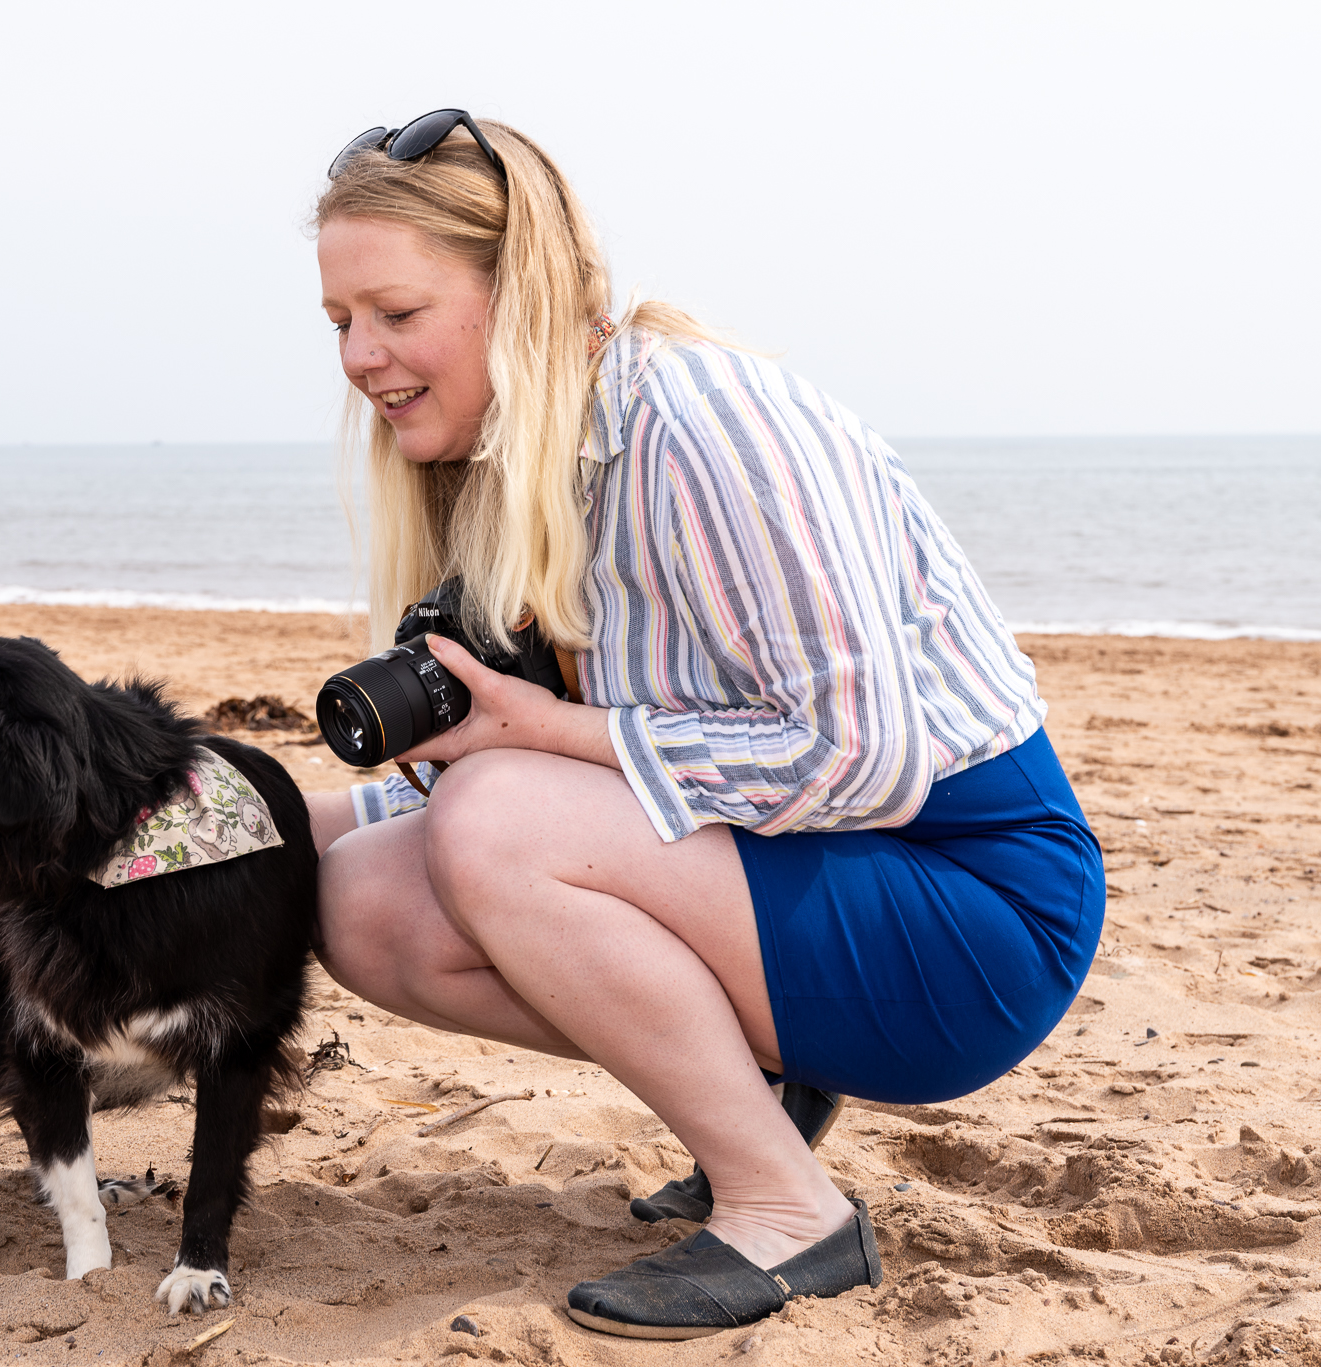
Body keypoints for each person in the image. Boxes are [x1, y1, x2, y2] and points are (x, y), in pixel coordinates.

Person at [305, 110, 1103, 1340]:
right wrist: (218, 820)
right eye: (339, 323)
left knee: (495, 821)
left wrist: (545, 734)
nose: (361, 357)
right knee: (360, 899)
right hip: (807, 870)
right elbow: (486, 779)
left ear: (517, 292)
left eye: (396, 315)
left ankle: (788, 1210)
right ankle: (765, 1089)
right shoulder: (515, 460)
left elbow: (866, 755)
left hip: (971, 907)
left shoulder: (695, 422)